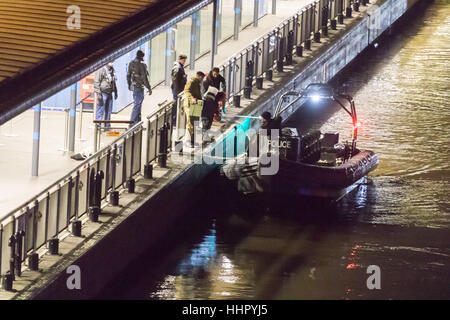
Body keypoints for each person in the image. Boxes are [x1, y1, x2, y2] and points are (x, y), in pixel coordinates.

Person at [127, 50, 152, 125]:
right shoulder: (142, 64)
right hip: (139, 87)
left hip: (134, 86)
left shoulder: (131, 63)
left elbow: (128, 75)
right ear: (142, 56)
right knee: (137, 104)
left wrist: (129, 84)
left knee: (138, 104)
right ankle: (132, 123)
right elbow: (144, 78)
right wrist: (149, 87)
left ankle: (137, 122)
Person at [184, 71, 205, 146]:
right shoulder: (191, 82)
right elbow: (186, 91)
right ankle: (188, 141)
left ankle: (193, 140)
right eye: (202, 78)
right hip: (189, 105)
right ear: (199, 77)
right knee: (190, 123)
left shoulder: (197, 84)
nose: (202, 80)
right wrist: (192, 98)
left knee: (195, 122)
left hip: (195, 105)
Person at [94, 61, 117, 130]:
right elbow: (96, 81)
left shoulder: (112, 69)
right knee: (100, 111)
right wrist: (98, 93)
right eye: (111, 61)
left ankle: (107, 126)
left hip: (109, 93)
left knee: (108, 111)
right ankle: (97, 127)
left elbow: (113, 82)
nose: (112, 63)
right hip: (102, 93)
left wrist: (116, 91)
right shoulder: (101, 69)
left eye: (113, 61)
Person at [171, 54, 188, 127]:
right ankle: (174, 120)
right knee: (176, 105)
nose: (184, 62)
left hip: (179, 90)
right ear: (180, 59)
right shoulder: (178, 68)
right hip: (178, 90)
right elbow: (175, 80)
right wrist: (178, 91)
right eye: (184, 60)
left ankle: (175, 120)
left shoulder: (179, 67)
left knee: (177, 104)